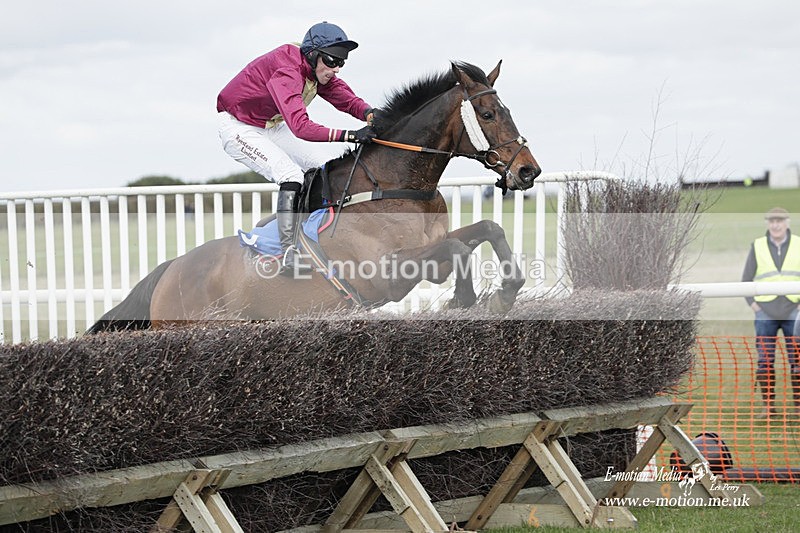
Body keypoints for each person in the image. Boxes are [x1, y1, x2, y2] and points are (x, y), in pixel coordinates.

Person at [216, 21, 377, 275]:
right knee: (290, 175)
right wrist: (350, 135)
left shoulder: (316, 68)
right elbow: (301, 127)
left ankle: (312, 235)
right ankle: (288, 251)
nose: (336, 69)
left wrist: (370, 114)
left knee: (324, 167)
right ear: (313, 55)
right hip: (238, 127)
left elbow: (344, 97)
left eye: (341, 63)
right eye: (332, 61)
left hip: (270, 124)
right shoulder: (287, 70)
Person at [741, 207, 800, 418]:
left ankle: (799, 406)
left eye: (780, 220)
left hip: (794, 310)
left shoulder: (798, 244)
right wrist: (754, 305)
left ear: (787, 222)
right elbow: (746, 279)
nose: (776, 224)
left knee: (798, 359)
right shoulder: (757, 246)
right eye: (772, 221)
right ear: (768, 223)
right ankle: (768, 407)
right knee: (765, 360)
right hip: (765, 312)